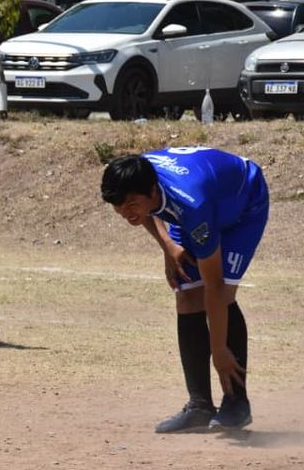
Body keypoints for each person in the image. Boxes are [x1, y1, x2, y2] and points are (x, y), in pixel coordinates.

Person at [100, 147, 270, 432]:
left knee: (222, 294)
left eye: (130, 204)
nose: (124, 213)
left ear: (152, 189)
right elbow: (146, 211)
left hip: (241, 205)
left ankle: (237, 404)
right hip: (195, 201)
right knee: (187, 295)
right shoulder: (140, 174)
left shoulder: (193, 205)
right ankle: (200, 405)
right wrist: (168, 245)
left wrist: (218, 351)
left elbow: (214, 286)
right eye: (117, 206)